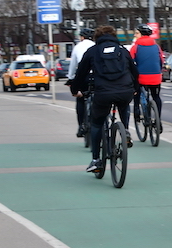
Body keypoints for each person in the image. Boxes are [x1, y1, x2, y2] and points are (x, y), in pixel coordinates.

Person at [70, 26, 140, 173]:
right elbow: (134, 71)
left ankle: (96, 160)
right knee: (124, 103)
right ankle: (125, 130)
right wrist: (135, 89)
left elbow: (81, 72)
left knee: (97, 123)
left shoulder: (93, 51)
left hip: (103, 93)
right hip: (125, 90)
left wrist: (75, 90)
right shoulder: (122, 50)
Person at [130, 24, 164, 119]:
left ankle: (137, 110)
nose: (135, 35)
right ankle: (158, 119)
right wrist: (159, 71)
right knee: (156, 96)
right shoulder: (156, 46)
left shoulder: (135, 47)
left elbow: (130, 62)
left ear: (141, 34)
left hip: (141, 77)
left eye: (136, 33)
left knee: (137, 93)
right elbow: (161, 60)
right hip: (156, 76)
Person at [66, 28, 96, 138]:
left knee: (80, 98)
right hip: (97, 76)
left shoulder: (78, 47)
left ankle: (81, 126)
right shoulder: (96, 45)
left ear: (82, 37)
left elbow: (73, 65)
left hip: (84, 76)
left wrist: (70, 78)